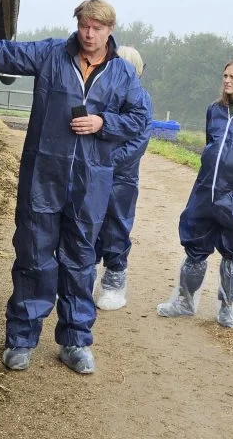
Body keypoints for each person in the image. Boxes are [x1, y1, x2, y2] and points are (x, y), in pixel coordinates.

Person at [0, 0, 151, 375]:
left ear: (110, 31)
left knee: (80, 261)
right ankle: (21, 339)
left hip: (90, 184)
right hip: (44, 176)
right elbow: (1, 53)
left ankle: (75, 341)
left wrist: (104, 123)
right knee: (33, 256)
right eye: (84, 26)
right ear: (78, 24)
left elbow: (140, 119)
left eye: (97, 28)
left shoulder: (122, 74)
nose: (89, 34)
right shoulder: (51, 54)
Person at [156, 59, 233, 329]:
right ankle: (185, 302)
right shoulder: (215, 110)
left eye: (232, 76)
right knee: (195, 246)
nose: (226, 80)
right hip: (206, 191)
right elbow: (212, 144)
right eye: (224, 75)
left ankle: (228, 307)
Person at [95, 46, 153, 311]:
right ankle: (84, 279)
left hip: (122, 177)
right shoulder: (102, 94)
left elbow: (138, 142)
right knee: (88, 223)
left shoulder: (142, 99)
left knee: (117, 225)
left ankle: (114, 284)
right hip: (94, 172)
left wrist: (106, 160)